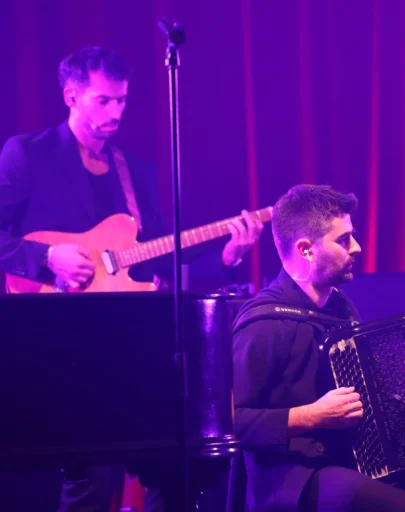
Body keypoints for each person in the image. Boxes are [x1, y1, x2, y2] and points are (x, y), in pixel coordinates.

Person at [0, 46, 264, 511]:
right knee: (89, 486)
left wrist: (227, 256)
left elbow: (162, 260)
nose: (116, 111)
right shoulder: (28, 154)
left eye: (121, 100)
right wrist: (47, 257)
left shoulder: (134, 172)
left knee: (178, 471)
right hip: (59, 346)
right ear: (71, 96)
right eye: (103, 100)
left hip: (130, 344)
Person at [227, 184, 405, 512]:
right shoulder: (263, 322)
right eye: (343, 240)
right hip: (292, 478)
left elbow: (378, 406)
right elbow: (232, 423)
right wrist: (312, 415)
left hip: (354, 465)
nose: (357, 247)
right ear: (306, 250)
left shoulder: (341, 310)